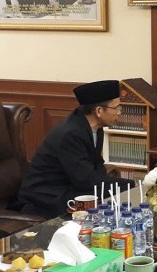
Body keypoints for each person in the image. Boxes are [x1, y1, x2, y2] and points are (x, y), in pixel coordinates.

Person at [15, 80, 134, 219]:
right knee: (124, 189)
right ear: (99, 111)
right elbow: (84, 179)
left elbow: (97, 165)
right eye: (117, 107)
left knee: (125, 188)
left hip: (72, 185)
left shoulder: (95, 127)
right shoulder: (70, 134)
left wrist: (112, 185)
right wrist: (115, 186)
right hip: (48, 194)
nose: (119, 112)